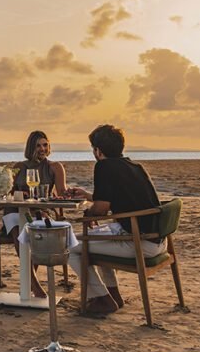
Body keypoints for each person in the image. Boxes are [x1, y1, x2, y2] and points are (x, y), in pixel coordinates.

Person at [66, 124, 164, 314]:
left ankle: (102, 299)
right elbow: (118, 197)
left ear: (98, 150)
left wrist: (89, 214)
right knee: (96, 238)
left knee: (68, 245)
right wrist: (88, 196)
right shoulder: (134, 166)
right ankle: (113, 296)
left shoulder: (104, 166)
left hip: (138, 242)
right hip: (157, 240)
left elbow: (102, 209)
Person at [1, 130, 68, 298]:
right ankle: (34, 284)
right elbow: (7, 193)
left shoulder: (55, 167)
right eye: (38, 145)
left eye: (45, 145)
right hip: (15, 209)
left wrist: (64, 195)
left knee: (36, 231)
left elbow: (62, 193)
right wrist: (18, 194)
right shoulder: (19, 167)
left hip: (40, 210)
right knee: (19, 227)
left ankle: (29, 281)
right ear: (31, 147)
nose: (42, 149)